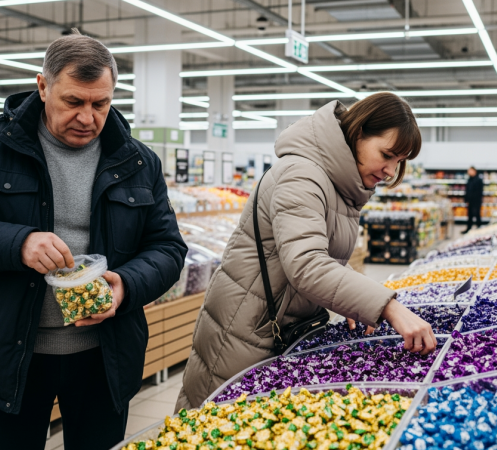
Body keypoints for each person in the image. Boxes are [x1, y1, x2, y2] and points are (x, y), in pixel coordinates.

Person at [0, 30, 187, 450]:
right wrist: (18, 243)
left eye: (101, 103)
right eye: (73, 102)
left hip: (104, 357)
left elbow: (168, 248)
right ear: (43, 87)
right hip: (8, 355)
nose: (87, 117)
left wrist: (126, 285)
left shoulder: (138, 161)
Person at [176, 92, 436, 410]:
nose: (390, 171)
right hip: (245, 331)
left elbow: (318, 252)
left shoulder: (336, 181)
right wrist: (389, 308)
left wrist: (356, 301)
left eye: (398, 162)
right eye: (387, 154)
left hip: (274, 328)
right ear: (359, 132)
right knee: (212, 429)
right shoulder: (303, 175)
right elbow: (307, 265)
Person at [463, 166, 484, 233]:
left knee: (477, 214)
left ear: (474, 171)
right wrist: (466, 200)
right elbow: (467, 191)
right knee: (470, 215)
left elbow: (479, 192)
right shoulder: (469, 179)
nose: (468, 172)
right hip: (470, 201)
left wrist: (475, 200)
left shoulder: (478, 180)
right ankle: (469, 228)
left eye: (470, 171)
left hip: (476, 201)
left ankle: (479, 228)